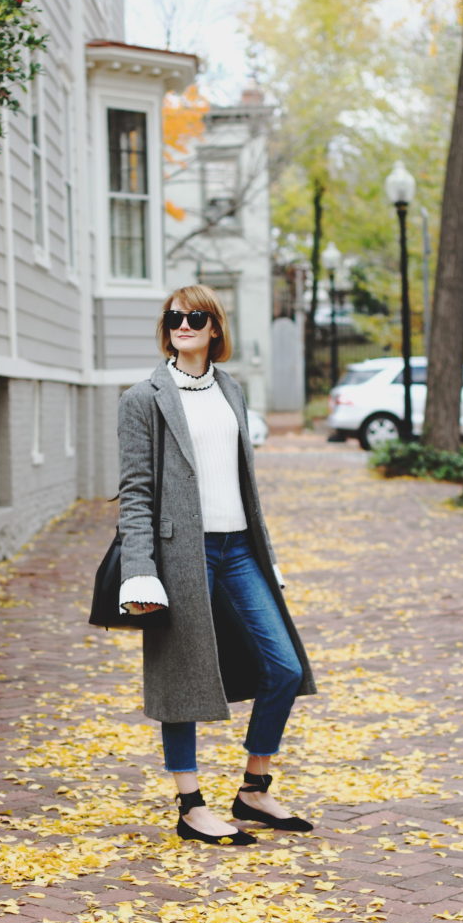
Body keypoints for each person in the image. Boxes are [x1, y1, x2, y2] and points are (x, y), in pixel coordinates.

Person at [117, 284, 317, 846]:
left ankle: (253, 789)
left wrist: (266, 557)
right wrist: (141, 567)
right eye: (175, 317)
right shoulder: (144, 398)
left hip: (238, 551)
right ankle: (190, 804)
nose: (184, 324)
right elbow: (135, 492)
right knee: (181, 676)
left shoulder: (231, 390)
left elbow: (245, 487)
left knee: (284, 667)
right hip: (181, 553)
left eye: (195, 317)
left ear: (214, 328)